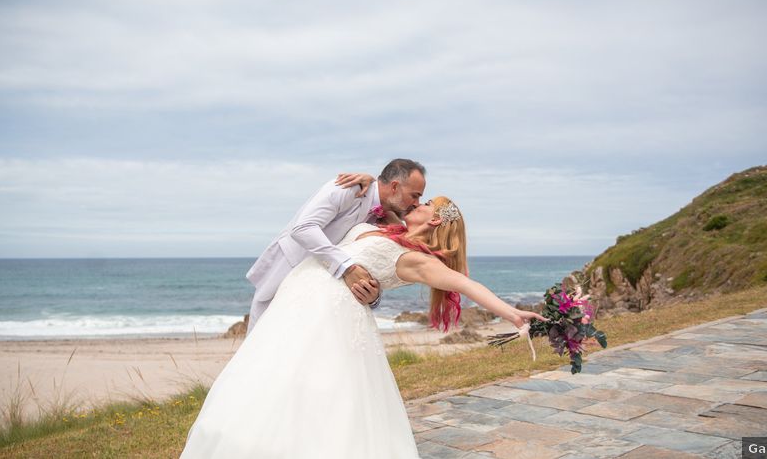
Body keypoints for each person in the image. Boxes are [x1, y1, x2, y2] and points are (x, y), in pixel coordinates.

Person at [181, 196, 547, 458]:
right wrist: (362, 180)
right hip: (294, 306)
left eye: (423, 204)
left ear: (434, 221)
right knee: (271, 380)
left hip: (330, 318)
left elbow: (466, 284)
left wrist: (513, 314)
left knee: (319, 392)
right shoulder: (381, 229)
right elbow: (369, 200)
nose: (414, 204)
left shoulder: (416, 259)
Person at [245, 159, 427, 333]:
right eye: (415, 195)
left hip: (322, 301)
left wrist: (373, 297)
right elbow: (302, 228)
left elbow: (378, 265)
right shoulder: (347, 188)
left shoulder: (390, 223)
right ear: (394, 186)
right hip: (286, 277)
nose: (417, 203)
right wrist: (346, 267)